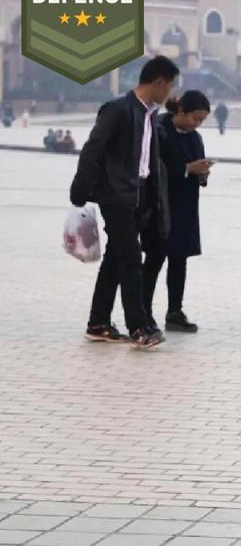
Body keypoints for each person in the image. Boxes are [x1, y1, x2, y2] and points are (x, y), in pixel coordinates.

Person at [69, 55, 178, 349]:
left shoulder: (148, 114)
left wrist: (153, 198)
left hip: (138, 196)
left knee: (116, 260)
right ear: (157, 82)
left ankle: (98, 322)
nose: (169, 92)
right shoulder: (118, 110)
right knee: (131, 260)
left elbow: (149, 159)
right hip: (116, 196)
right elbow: (93, 149)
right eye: (168, 85)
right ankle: (139, 327)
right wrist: (80, 190)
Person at [142, 91, 213, 334]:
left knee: (179, 259)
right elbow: (152, 166)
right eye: (195, 118)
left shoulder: (195, 138)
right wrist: (185, 169)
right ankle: (143, 312)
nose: (197, 124)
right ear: (181, 111)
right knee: (154, 260)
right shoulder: (159, 130)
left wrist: (202, 172)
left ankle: (175, 311)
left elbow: (197, 167)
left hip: (185, 207)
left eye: (202, 121)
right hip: (161, 206)